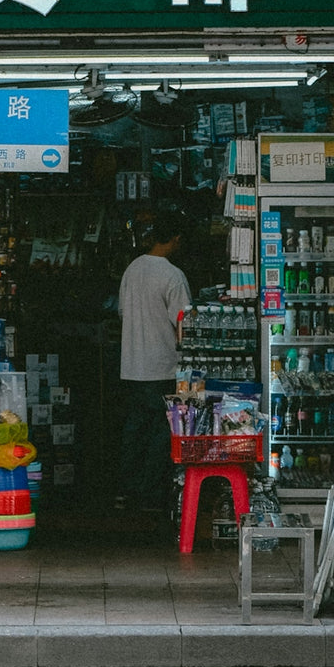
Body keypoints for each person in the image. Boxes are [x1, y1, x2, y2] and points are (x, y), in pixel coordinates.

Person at [117, 218, 191, 513]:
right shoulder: (173, 275)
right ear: (174, 238)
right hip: (162, 366)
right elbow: (184, 325)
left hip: (132, 366)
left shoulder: (132, 269)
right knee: (162, 431)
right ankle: (149, 492)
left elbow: (123, 312)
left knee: (135, 429)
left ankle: (127, 488)